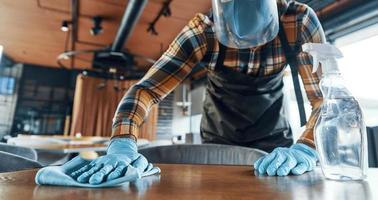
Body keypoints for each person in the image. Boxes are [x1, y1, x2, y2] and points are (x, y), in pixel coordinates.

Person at [71, 0, 325, 184]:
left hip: (275, 144)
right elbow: (145, 91)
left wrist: (307, 146)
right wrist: (123, 143)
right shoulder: (203, 31)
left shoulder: (298, 23)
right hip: (218, 143)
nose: (249, 48)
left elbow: (325, 98)